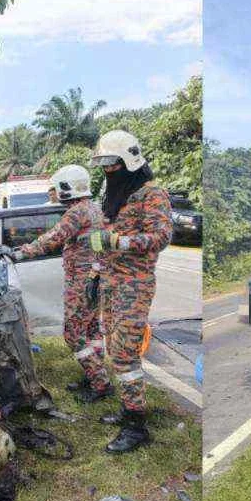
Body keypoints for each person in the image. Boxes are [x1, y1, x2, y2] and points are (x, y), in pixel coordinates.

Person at [88, 129, 172, 453]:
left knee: (125, 354)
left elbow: (161, 237)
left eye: (113, 164)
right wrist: (96, 272)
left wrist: (118, 241)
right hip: (111, 283)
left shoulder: (152, 194)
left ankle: (137, 426)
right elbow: (104, 240)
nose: (108, 170)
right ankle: (128, 409)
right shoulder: (115, 195)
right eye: (104, 165)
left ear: (130, 161)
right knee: (114, 350)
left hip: (134, 285)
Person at [15, 165, 111, 403]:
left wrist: (22, 252)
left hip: (82, 281)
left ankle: (99, 382)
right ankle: (94, 375)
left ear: (67, 188)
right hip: (95, 278)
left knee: (73, 334)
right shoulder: (94, 208)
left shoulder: (77, 212)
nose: (55, 192)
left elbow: (53, 238)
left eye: (58, 187)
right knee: (91, 330)